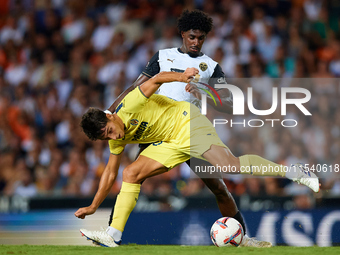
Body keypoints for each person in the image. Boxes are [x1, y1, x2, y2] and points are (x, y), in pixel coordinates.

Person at [75, 67, 320, 247]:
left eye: (109, 131)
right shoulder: (114, 137)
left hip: (185, 123)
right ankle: (113, 235)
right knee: (130, 173)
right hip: (167, 142)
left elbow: (158, 78)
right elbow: (110, 172)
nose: (113, 136)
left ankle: (296, 172)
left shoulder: (129, 104)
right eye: (106, 138)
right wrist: (94, 206)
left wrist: (182, 77)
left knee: (230, 166)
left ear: (110, 116)